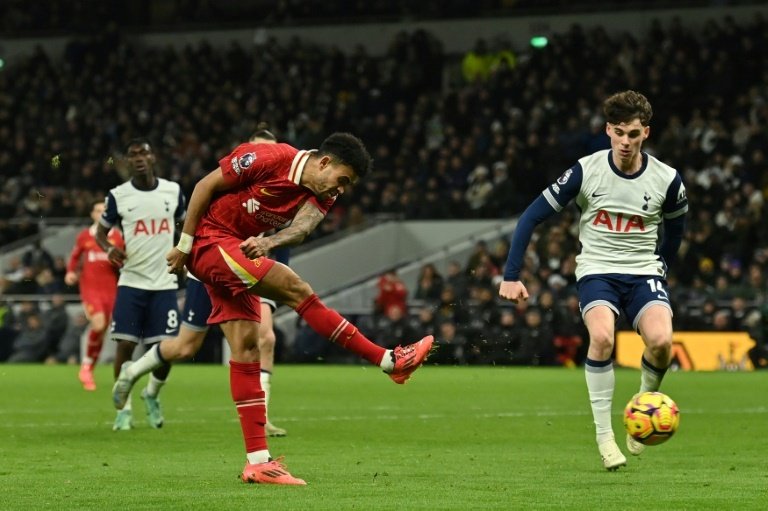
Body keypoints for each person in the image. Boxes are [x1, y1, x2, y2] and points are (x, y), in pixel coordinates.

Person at [165, 131, 434, 485]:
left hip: (237, 250)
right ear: (324, 162)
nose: (342, 189)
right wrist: (184, 246)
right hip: (210, 240)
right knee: (297, 289)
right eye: (343, 179)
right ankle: (388, 361)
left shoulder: (323, 191)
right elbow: (203, 186)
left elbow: (303, 228)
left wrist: (270, 241)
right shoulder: (269, 158)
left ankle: (258, 463)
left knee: (247, 347)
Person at [498, 91, 688, 471]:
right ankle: (605, 438)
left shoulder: (667, 180)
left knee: (663, 343)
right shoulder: (586, 171)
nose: (624, 141)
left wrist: (662, 267)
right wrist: (511, 275)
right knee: (602, 338)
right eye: (618, 132)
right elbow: (530, 217)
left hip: (643, 272)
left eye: (633, 134)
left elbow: (676, 231)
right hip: (597, 270)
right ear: (607, 130)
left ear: (645, 133)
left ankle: (642, 410)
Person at [112, 127, 289, 437]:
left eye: (273, 150)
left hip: (252, 270)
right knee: (185, 346)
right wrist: (186, 250)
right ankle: (133, 374)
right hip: (211, 268)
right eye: (260, 149)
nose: (268, 156)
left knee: (265, 338)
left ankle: (261, 418)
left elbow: (282, 237)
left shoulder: (281, 190)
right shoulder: (228, 180)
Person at [95, 138, 186, 431]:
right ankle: (124, 410)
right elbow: (101, 232)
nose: (138, 158)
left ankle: (151, 394)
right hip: (131, 281)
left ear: (153, 156)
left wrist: (183, 255)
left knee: (168, 349)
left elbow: (185, 226)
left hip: (164, 281)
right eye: (132, 154)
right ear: (127, 161)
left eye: (143, 152)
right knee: (125, 346)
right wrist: (109, 248)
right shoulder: (118, 196)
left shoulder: (173, 191)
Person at [65, 200, 124, 390]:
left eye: (104, 211)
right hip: (90, 288)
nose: (101, 214)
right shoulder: (85, 236)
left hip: (110, 289)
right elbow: (75, 256)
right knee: (98, 324)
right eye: (98, 210)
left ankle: (88, 367)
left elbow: (123, 261)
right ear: (92, 214)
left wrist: (118, 261)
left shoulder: (117, 236)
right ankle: (86, 367)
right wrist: (70, 272)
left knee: (103, 330)